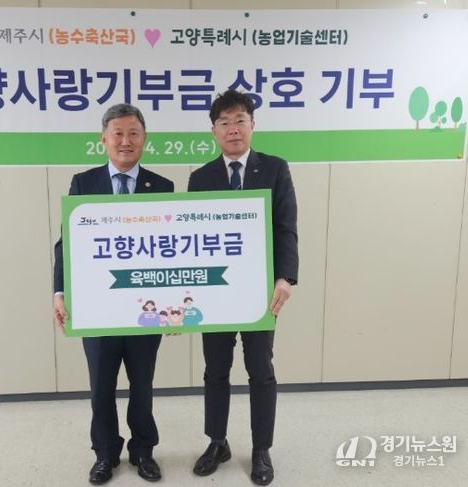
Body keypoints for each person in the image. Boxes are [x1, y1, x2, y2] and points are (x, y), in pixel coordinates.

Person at [53, 103, 174, 485]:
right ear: (103, 139)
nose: (126, 141)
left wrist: (173, 305)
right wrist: (60, 292)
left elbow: (173, 249)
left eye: (133, 133)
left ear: (144, 139)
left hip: (145, 308)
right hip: (97, 307)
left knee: (143, 385)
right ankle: (105, 454)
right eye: (117, 133)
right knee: (101, 387)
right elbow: (67, 243)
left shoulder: (163, 187)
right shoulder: (83, 183)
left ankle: (143, 451)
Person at [188, 89, 298, 486]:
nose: (233, 129)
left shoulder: (275, 169)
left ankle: (261, 448)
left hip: (259, 293)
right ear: (214, 131)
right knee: (215, 370)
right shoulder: (201, 178)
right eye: (224, 122)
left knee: (260, 371)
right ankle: (217, 442)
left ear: (253, 125)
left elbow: (285, 227)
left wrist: (285, 277)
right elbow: (192, 238)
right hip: (216, 293)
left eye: (240, 121)